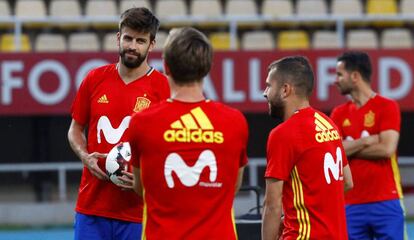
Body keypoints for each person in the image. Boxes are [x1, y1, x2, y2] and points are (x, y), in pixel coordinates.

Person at [125, 27, 248, 239]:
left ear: (166, 66)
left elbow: (141, 187)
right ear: (208, 67)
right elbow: (232, 187)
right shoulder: (235, 121)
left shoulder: (142, 122)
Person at [67, 7, 169, 240]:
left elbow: (169, 148)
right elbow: (75, 129)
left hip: (139, 212)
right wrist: (84, 155)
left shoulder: (162, 87)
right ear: (118, 38)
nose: (133, 46)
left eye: (141, 40)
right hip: (91, 207)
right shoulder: (94, 78)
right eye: (128, 38)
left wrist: (147, 178)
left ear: (151, 45)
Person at [261, 56, 353, 240]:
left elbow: (272, 204)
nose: (265, 92)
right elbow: (348, 182)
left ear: (285, 90)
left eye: (269, 86)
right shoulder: (329, 124)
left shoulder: (283, 134)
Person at [331, 51, 406, 240]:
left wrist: (349, 147)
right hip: (349, 202)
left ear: (355, 76)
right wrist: (365, 141)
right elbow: (334, 152)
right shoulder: (338, 113)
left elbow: (386, 149)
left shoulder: (387, 106)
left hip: (386, 200)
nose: (335, 80)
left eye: (340, 74)